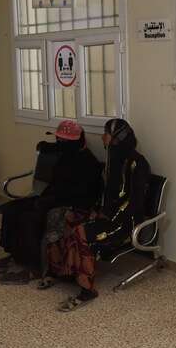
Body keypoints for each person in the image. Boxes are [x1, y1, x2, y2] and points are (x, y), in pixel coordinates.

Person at [45, 119, 150, 312]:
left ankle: (87, 289)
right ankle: (61, 272)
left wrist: (105, 215)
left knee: (81, 232)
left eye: (106, 134)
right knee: (61, 218)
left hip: (123, 222)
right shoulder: (113, 161)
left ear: (117, 138)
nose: (102, 137)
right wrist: (96, 210)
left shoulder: (137, 164)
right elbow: (105, 195)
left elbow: (134, 203)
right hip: (105, 215)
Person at [0, 120, 103, 285]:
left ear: (74, 142)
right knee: (11, 209)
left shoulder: (89, 164)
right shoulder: (66, 154)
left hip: (69, 204)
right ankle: (16, 256)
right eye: (58, 139)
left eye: (63, 140)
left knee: (30, 219)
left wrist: (49, 202)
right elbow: (49, 150)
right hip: (50, 197)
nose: (59, 143)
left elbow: (81, 196)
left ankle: (33, 268)